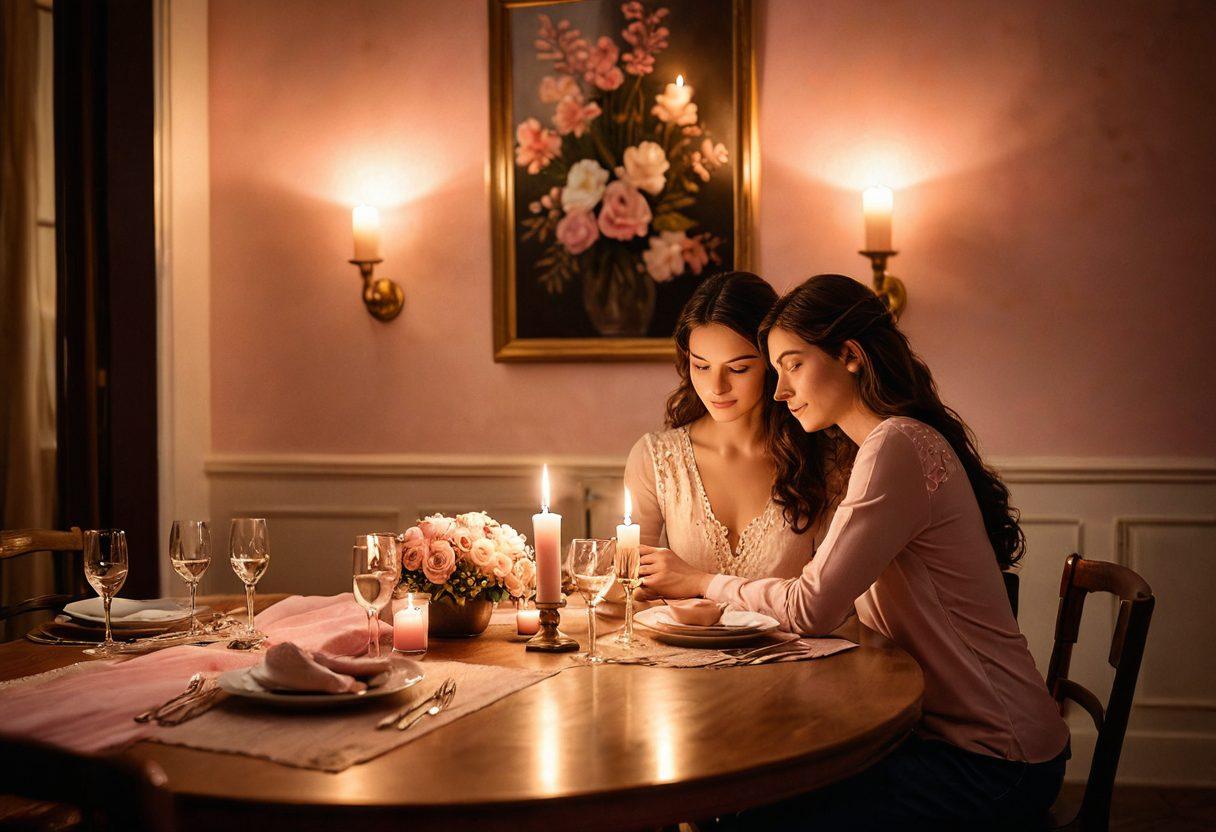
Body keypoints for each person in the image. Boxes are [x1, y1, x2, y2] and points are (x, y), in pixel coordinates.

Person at [639, 274, 1070, 829]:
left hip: (994, 757)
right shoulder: (884, 445)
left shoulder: (895, 446)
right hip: (949, 739)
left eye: (792, 365)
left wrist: (699, 581)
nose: (779, 391)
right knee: (754, 801)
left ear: (849, 355)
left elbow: (814, 607)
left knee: (751, 816)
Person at [623, 272, 844, 602]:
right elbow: (626, 587)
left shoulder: (825, 459)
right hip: (684, 650)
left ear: (773, 364)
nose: (717, 387)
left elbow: (832, 599)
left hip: (801, 651)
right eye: (701, 366)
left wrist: (698, 581)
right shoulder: (657, 458)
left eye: (738, 369)